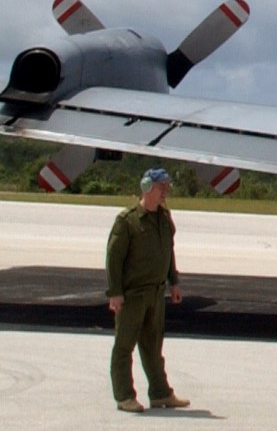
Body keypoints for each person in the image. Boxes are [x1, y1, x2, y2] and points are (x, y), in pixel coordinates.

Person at [107, 167, 189, 413]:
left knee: (154, 347)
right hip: (133, 295)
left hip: (156, 293)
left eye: (167, 186)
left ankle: (161, 393)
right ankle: (124, 396)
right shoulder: (127, 221)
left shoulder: (163, 218)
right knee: (124, 346)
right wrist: (115, 293)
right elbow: (114, 259)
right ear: (147, 187)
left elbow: (168, 251)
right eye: (161, 186)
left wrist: (174, 282)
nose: (166, 191)